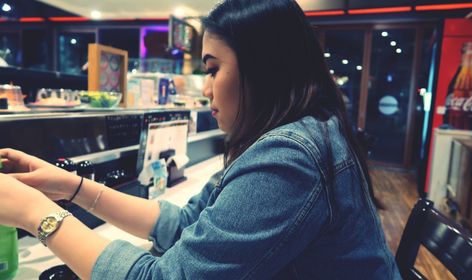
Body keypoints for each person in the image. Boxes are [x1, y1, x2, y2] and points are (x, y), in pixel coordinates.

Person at [0, 0, 402, 279]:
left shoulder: (288, 158)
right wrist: (68, 186)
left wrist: (36, 214)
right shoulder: (289, 133)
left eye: (213, 69)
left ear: (264, 70)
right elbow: (186, 223)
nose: (205, 89)